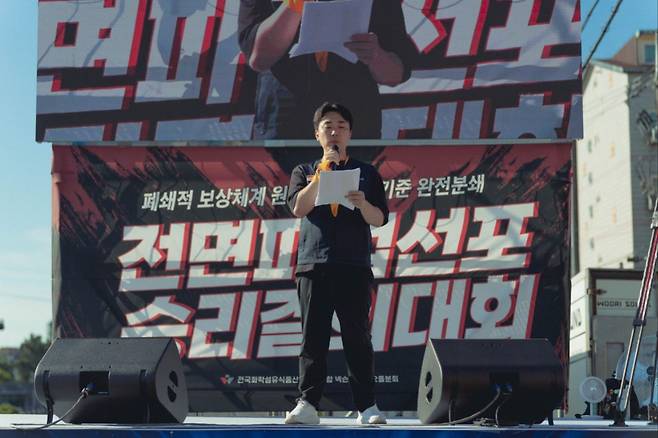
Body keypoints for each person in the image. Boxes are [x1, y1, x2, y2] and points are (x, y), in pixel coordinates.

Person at [285, 102, 389, 424]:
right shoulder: (304, 171)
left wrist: (362, 204)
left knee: (357, 337)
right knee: (313, 338)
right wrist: (321, 175)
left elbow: (380, 218)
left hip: (353, 266)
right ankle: (308, 404)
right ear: (317, 135)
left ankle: (367, 406)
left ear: (350, 134)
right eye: (328, 126)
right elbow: (298, 208)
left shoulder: (366, 173)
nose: (335, 132)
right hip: (314, 265)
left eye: (341, 126)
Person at [238, 0, 417, 139]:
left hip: (354, 130)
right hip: (284, 130)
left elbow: (396, 74)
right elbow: (258, 59)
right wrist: (295, 4)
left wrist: (376, 55)